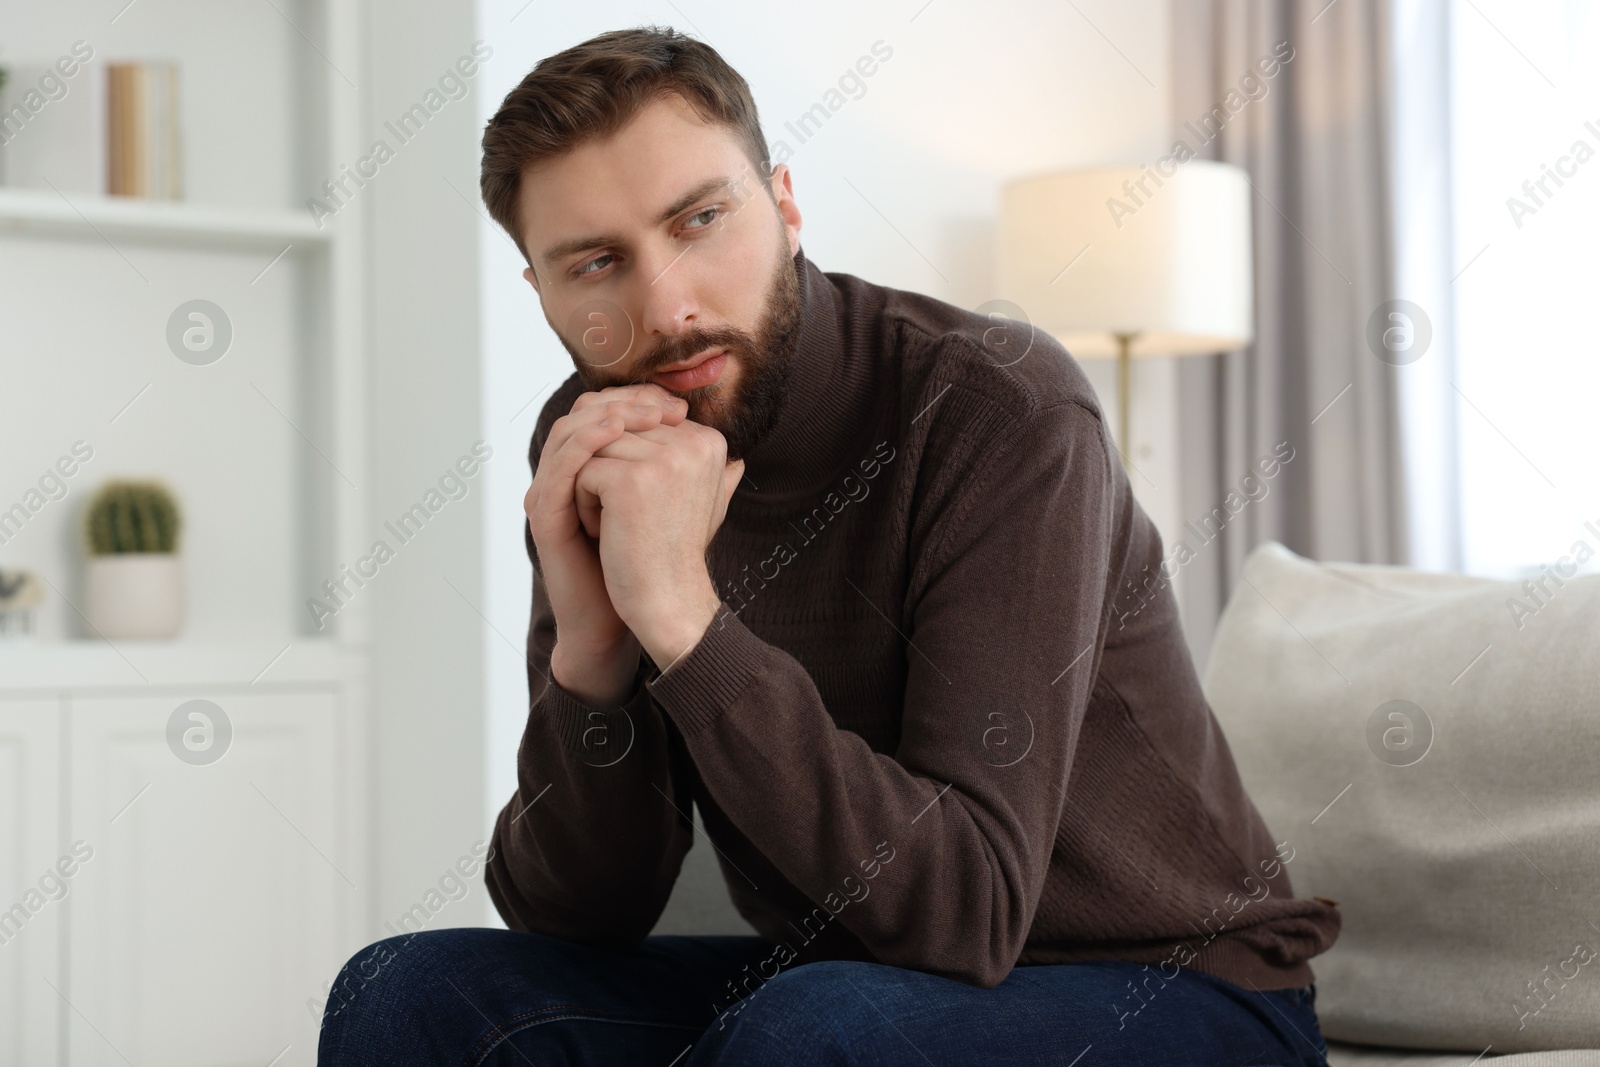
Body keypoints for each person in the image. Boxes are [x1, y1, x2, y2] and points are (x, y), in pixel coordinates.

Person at [318, 25, 1341, 1066]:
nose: (665, 306)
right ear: (541, 292)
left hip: (1175, 986)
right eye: (596, 262)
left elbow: (968, 910)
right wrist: (592, 653)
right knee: (410, 990)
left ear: (786, 205)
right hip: (841, 976)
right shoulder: (597, 442)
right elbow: (575, 914)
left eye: (700, 219)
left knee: (814, 1031)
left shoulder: (995, 408)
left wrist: (680, 615)